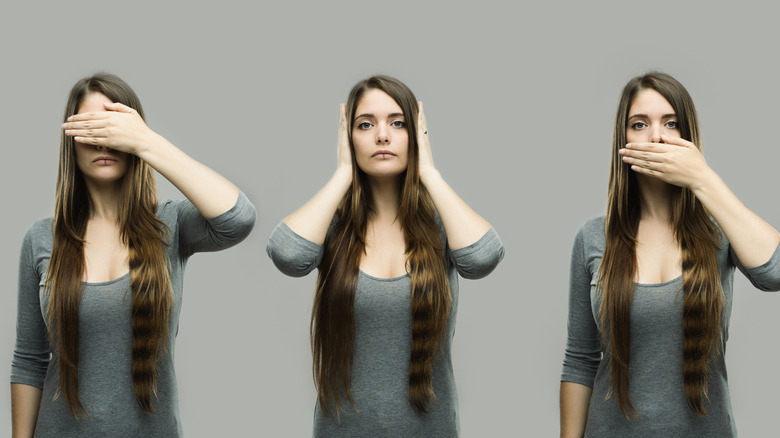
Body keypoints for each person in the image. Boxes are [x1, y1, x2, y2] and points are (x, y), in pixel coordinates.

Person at [11, 73, 256, 437]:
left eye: (113, 128)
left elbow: (239, 218)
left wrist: (146, 141)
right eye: (92, 128)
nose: (103, 141)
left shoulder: (169, 225)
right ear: (71, 141)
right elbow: (29, 360)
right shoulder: (41, 238)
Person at [267, 75, 503, 436]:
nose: (382, 136)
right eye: (365, 125)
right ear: (348, 137)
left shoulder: (443, 225)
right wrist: (343, 173)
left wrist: (429, 171)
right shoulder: (332, 226)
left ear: (417, 135)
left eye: (398, 123)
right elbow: (286, 254)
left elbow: (483, 258)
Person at [559, 72, 780, 437]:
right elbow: (580, 360)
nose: (656, 137)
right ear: (623, 140)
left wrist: (703, 179)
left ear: (689, 137)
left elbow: (775, 272)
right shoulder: (592, 237)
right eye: (639, 124)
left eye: (671, 123)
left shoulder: (721, 230)